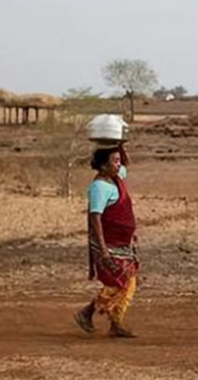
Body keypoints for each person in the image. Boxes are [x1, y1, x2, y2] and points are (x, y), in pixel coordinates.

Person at [74, 144, 139, 338]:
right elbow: (95, 218)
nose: (119, 165)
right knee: (118, 281)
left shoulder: (115, 178)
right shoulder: (99, 187)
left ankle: (115, 322)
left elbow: (126, 163)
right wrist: (102, 250)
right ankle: (87, 312)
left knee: (129, 282)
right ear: (103, 166)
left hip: (121, 243)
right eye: (114, 161)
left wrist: (118, 144)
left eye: (119, 161)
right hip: (108, 243)